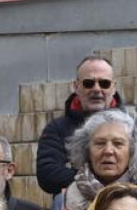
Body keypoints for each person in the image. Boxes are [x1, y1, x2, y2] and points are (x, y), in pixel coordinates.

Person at [37, 56, 123, 195]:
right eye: (88, 83)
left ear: (114, 87)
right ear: (76, 86)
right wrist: (106, 176)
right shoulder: (57, 129)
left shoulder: (133, 126)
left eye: (104, 83)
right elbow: (48, 176)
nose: (96, 89)